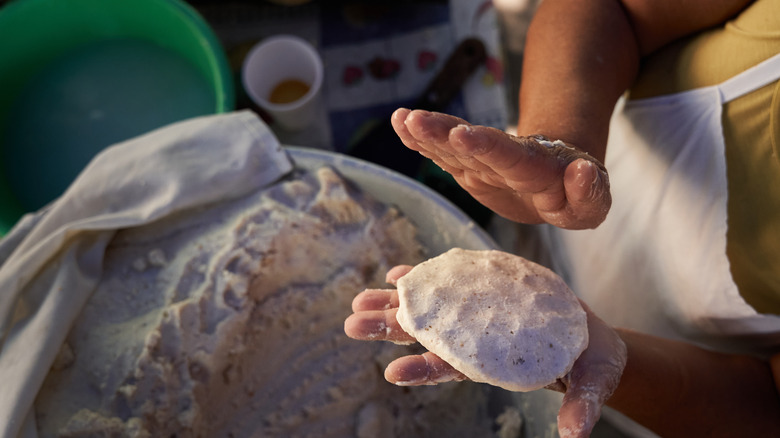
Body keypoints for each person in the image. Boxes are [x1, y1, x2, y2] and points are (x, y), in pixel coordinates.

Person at [345, 0, 780, 436]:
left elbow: (766, 406)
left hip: (664, 383)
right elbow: (616, 9)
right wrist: (560, 143)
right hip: (519, 207)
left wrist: (611, 361)